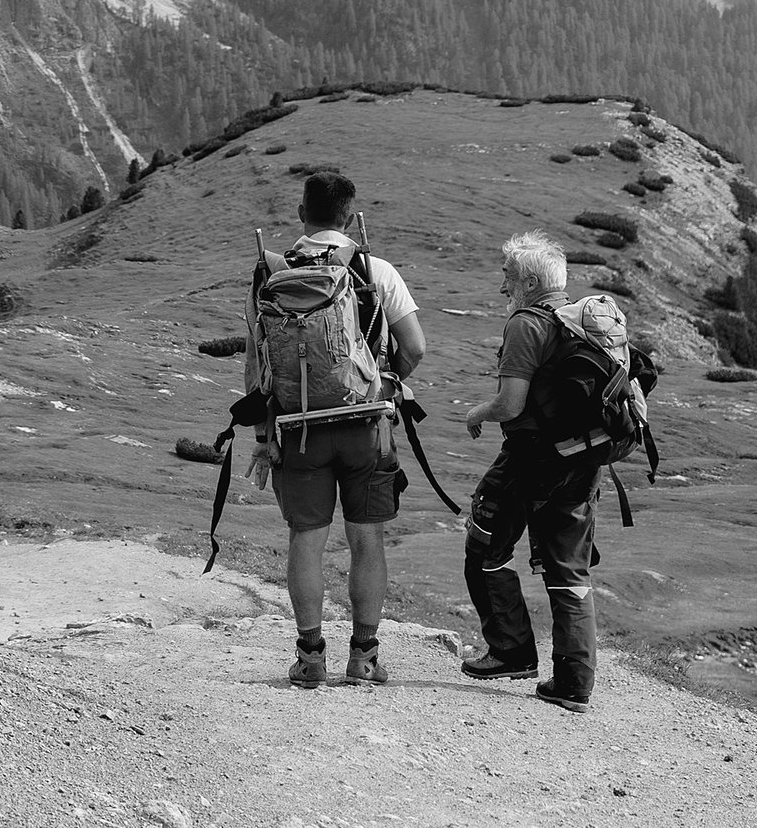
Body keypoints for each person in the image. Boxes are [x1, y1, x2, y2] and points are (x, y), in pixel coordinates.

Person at [247, 170, 427, 689]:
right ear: (349, 218)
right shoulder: (375, 270)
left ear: (301, 215)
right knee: (366, 538)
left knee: (307, 538)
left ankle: (309, 659)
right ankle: (364, 657)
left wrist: (263, 439)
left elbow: (258, 365)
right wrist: (384, 383)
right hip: (365, 426)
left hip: (298, 427)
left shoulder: (271, 273)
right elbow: (414, 347)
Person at [460, 229, 602, 712]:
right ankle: (573, 685)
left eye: (507, 277)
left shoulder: (527, 324)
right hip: (584, 463)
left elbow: (511, 402)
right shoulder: (584, 323)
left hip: (531, 460)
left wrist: (476, 413)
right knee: (568, 570)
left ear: (525, 282)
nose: (502, 288)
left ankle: (511, 650)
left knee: (485, 547)